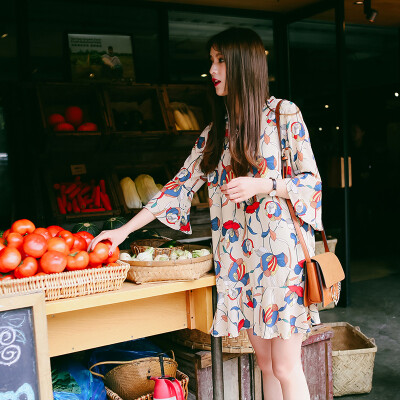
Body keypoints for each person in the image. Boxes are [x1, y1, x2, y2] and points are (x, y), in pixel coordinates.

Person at [90, 27, 322, 400]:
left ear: (244, 65)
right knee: (265, 365)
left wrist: (263, 185)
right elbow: (177, 187)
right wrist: (121, 232)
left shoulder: (284, 115)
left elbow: (311, 183)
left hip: (283, 263)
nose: (212, 69)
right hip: (242, 262)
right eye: (211, 60)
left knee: (285, 366)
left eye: (221, 60)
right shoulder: (216, 134)